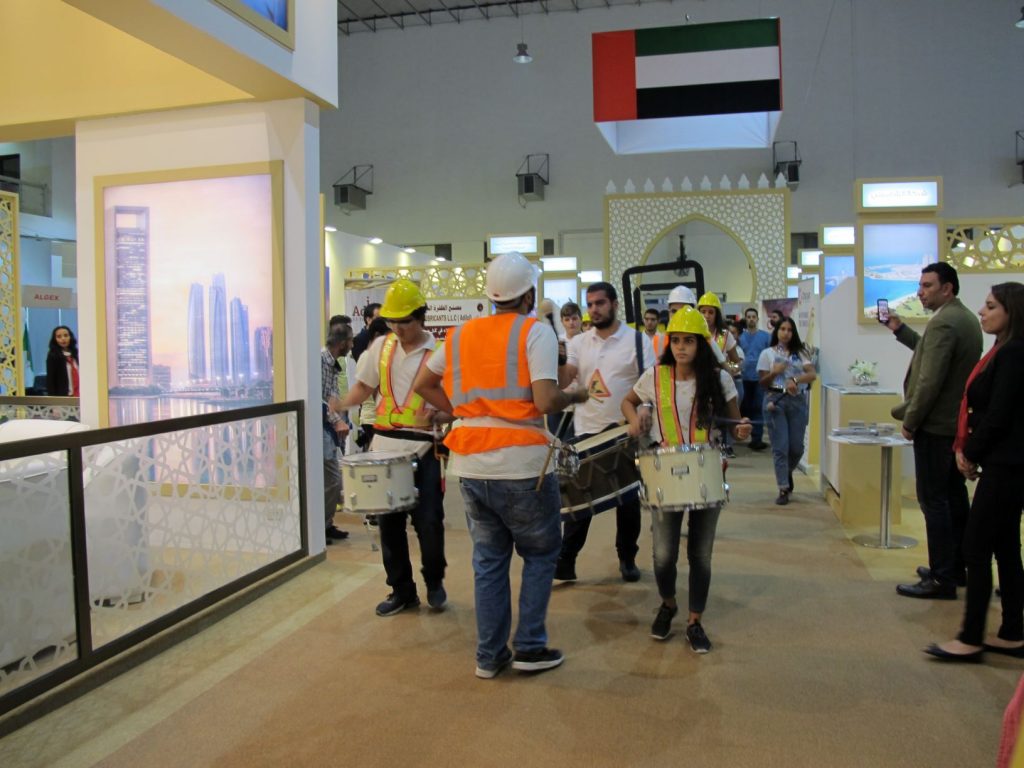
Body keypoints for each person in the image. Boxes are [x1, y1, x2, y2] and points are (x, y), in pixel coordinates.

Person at [414, 251, 589, 679]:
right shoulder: (535, 333)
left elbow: (423, 384)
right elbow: (547, 400)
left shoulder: (460, 335)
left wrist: (460, 411)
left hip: (470, 464)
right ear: (529, 294)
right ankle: (529, 646)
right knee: (541, 552)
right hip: (523, 465)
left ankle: (489, 657)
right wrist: (577, 396)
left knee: (489, 560)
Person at [622, 307, 750, 652]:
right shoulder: (655, 375)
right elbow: (628, 402)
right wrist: (635, 420)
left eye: (688, 342)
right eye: (676, 341)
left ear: (701, 345)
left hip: (707, 468)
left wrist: (740, 430)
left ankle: (695, 620)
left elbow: (736, 428)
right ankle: (668, 604)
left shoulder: (719, 379)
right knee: (663, 555)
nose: (681, 348)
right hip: (665, 469)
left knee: (700, 555)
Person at [926, 283, 1024, 662]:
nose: (983, 312)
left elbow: (999, 414)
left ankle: (970, 636)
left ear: (1012, 311)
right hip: (1005, 461)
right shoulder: (1003, 349)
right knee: (1004, 547)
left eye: (991, 306)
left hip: (1006, 464)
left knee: (976, 546)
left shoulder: (1013, 352)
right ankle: (1013, 630)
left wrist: (970, 451)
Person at [338, 279, 449, 616]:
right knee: (389, 525)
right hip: (385, 448)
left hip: (423, 449)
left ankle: (434, 581)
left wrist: (444, 414)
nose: (400, 329)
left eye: (407, 321)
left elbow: (455, 403)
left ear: (422, 317)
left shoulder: (440, 353)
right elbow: (362, 386)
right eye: (394, 322)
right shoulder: (380, 348)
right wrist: (338, 404)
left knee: (429, 522)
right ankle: (402, 590)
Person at [887, 262, 982, 600]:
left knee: (934, 501)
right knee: (953, 499)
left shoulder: (944, 322)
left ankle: (942, 577)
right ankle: (955, 567)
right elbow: (930, 355)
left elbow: (930, 380)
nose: (919, 292)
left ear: (948, 288)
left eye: (927, 285)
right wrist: (900, 330)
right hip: (950, 425)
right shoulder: (961, 318)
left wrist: (911, 420)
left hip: (936, 425)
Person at [556, 281, 655, 583]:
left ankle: (627, 558)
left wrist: (645, 411)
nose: (594, 310)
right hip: (586, 433)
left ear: (613, 304)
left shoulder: (638, 341)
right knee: (579, 502)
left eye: (600, 303)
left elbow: (651, 385)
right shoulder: (578, 343)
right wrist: (559, 358)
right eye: (590, 304)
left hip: (624, 433)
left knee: (627, 504)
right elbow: (564, 380)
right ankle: (566, 560)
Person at [757, 317, 816, 505]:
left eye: (789, 329)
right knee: (780, 446)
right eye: (782, 329)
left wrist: (796, 380)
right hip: (775, 401)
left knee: (797, 447)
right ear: (777, 331)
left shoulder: (801, 353)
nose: (786, 333)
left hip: (797, 401)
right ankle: (783, 487)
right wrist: (775, 372)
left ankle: (786, 472)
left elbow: (812, 374)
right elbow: (762, 382)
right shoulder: (767, 353)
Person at [697, 292, 743, 458]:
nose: (707, 316)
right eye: (703, 311)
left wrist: (727, 370)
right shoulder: (695, 333)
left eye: (711, 312)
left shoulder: (725, 335)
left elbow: (736, 362)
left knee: (727, 414)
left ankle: (726, 444)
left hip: (723, 382)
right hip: (700, 381)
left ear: (716, 314)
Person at [322, 325, 354, 542]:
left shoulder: (333, 363)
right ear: (342, 342)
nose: (352, 345)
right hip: (321, 427)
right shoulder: (321, 362)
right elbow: (319, 398)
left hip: (329, 427)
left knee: (332, 480)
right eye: (350, 341)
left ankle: (326, 523)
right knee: (333, 478)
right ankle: (321, 526)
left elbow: (332, 397)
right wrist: (337, 420)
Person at [355, 316, 391, 451]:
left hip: (370, 417)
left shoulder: (366, 355)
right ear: (377, 336)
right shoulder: (372, 357)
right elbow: (376, 390)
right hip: (373, 418)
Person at [738, 307, 772, 450]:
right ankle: (743, 435)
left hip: (760, 378)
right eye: (749, 316)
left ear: (757, 319)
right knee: (746, 408)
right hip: (744, 378)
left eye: (753, 316)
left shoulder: (766, 337)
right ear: (745, 319)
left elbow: (771, 355)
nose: (751, 319)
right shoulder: (740, 338)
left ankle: (757, 439)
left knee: (758, 408)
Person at [46, 325, 79, 397]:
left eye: (66, 335)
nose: (63, 339)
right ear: (55, 339)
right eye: (59, 337)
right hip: (63, 397)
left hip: (80, 397)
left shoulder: (76, 353)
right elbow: (50, 380)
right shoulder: (53, 356)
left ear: (70, 337)